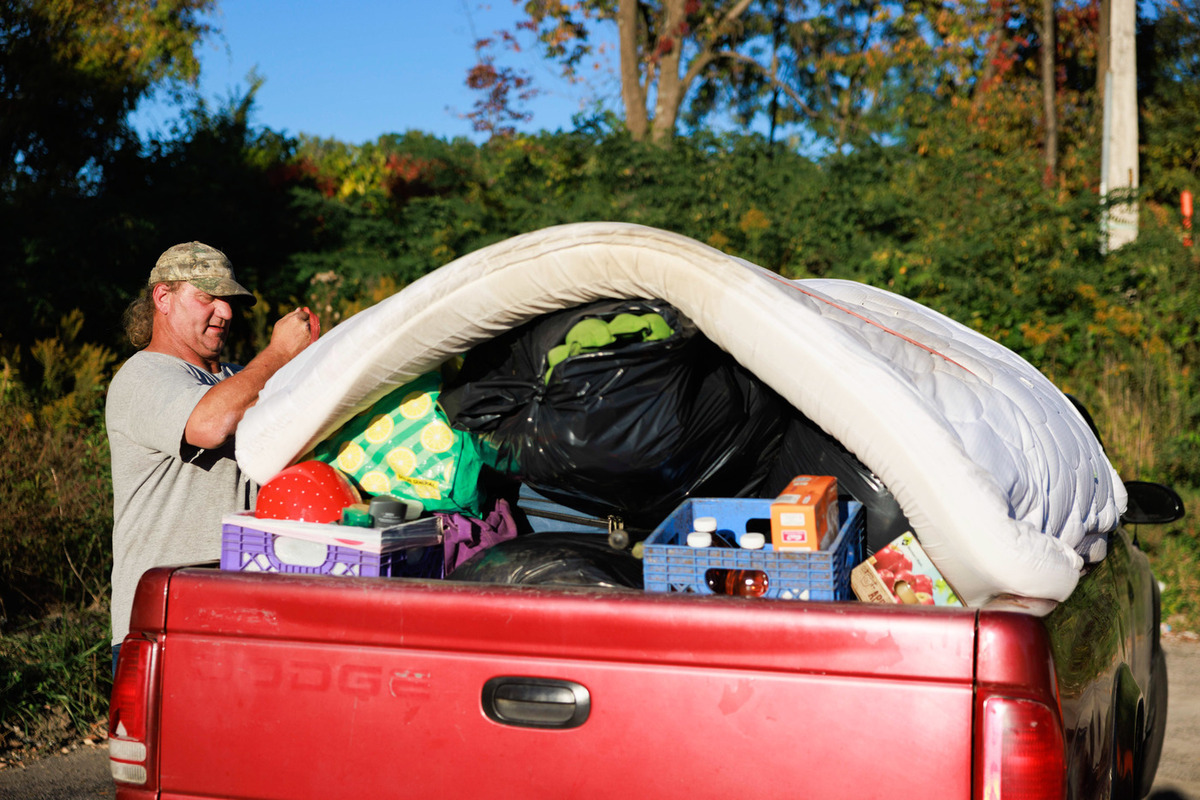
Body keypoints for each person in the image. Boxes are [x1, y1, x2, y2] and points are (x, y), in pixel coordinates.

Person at [106, 242, 314, 673]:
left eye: (229, 301)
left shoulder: (239, 379)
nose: (225, 312)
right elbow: (210, 423)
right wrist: (278, 354)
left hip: (244, 618)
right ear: (163, 298)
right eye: (208, 297)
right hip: (166, 626)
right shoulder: (143, 377)